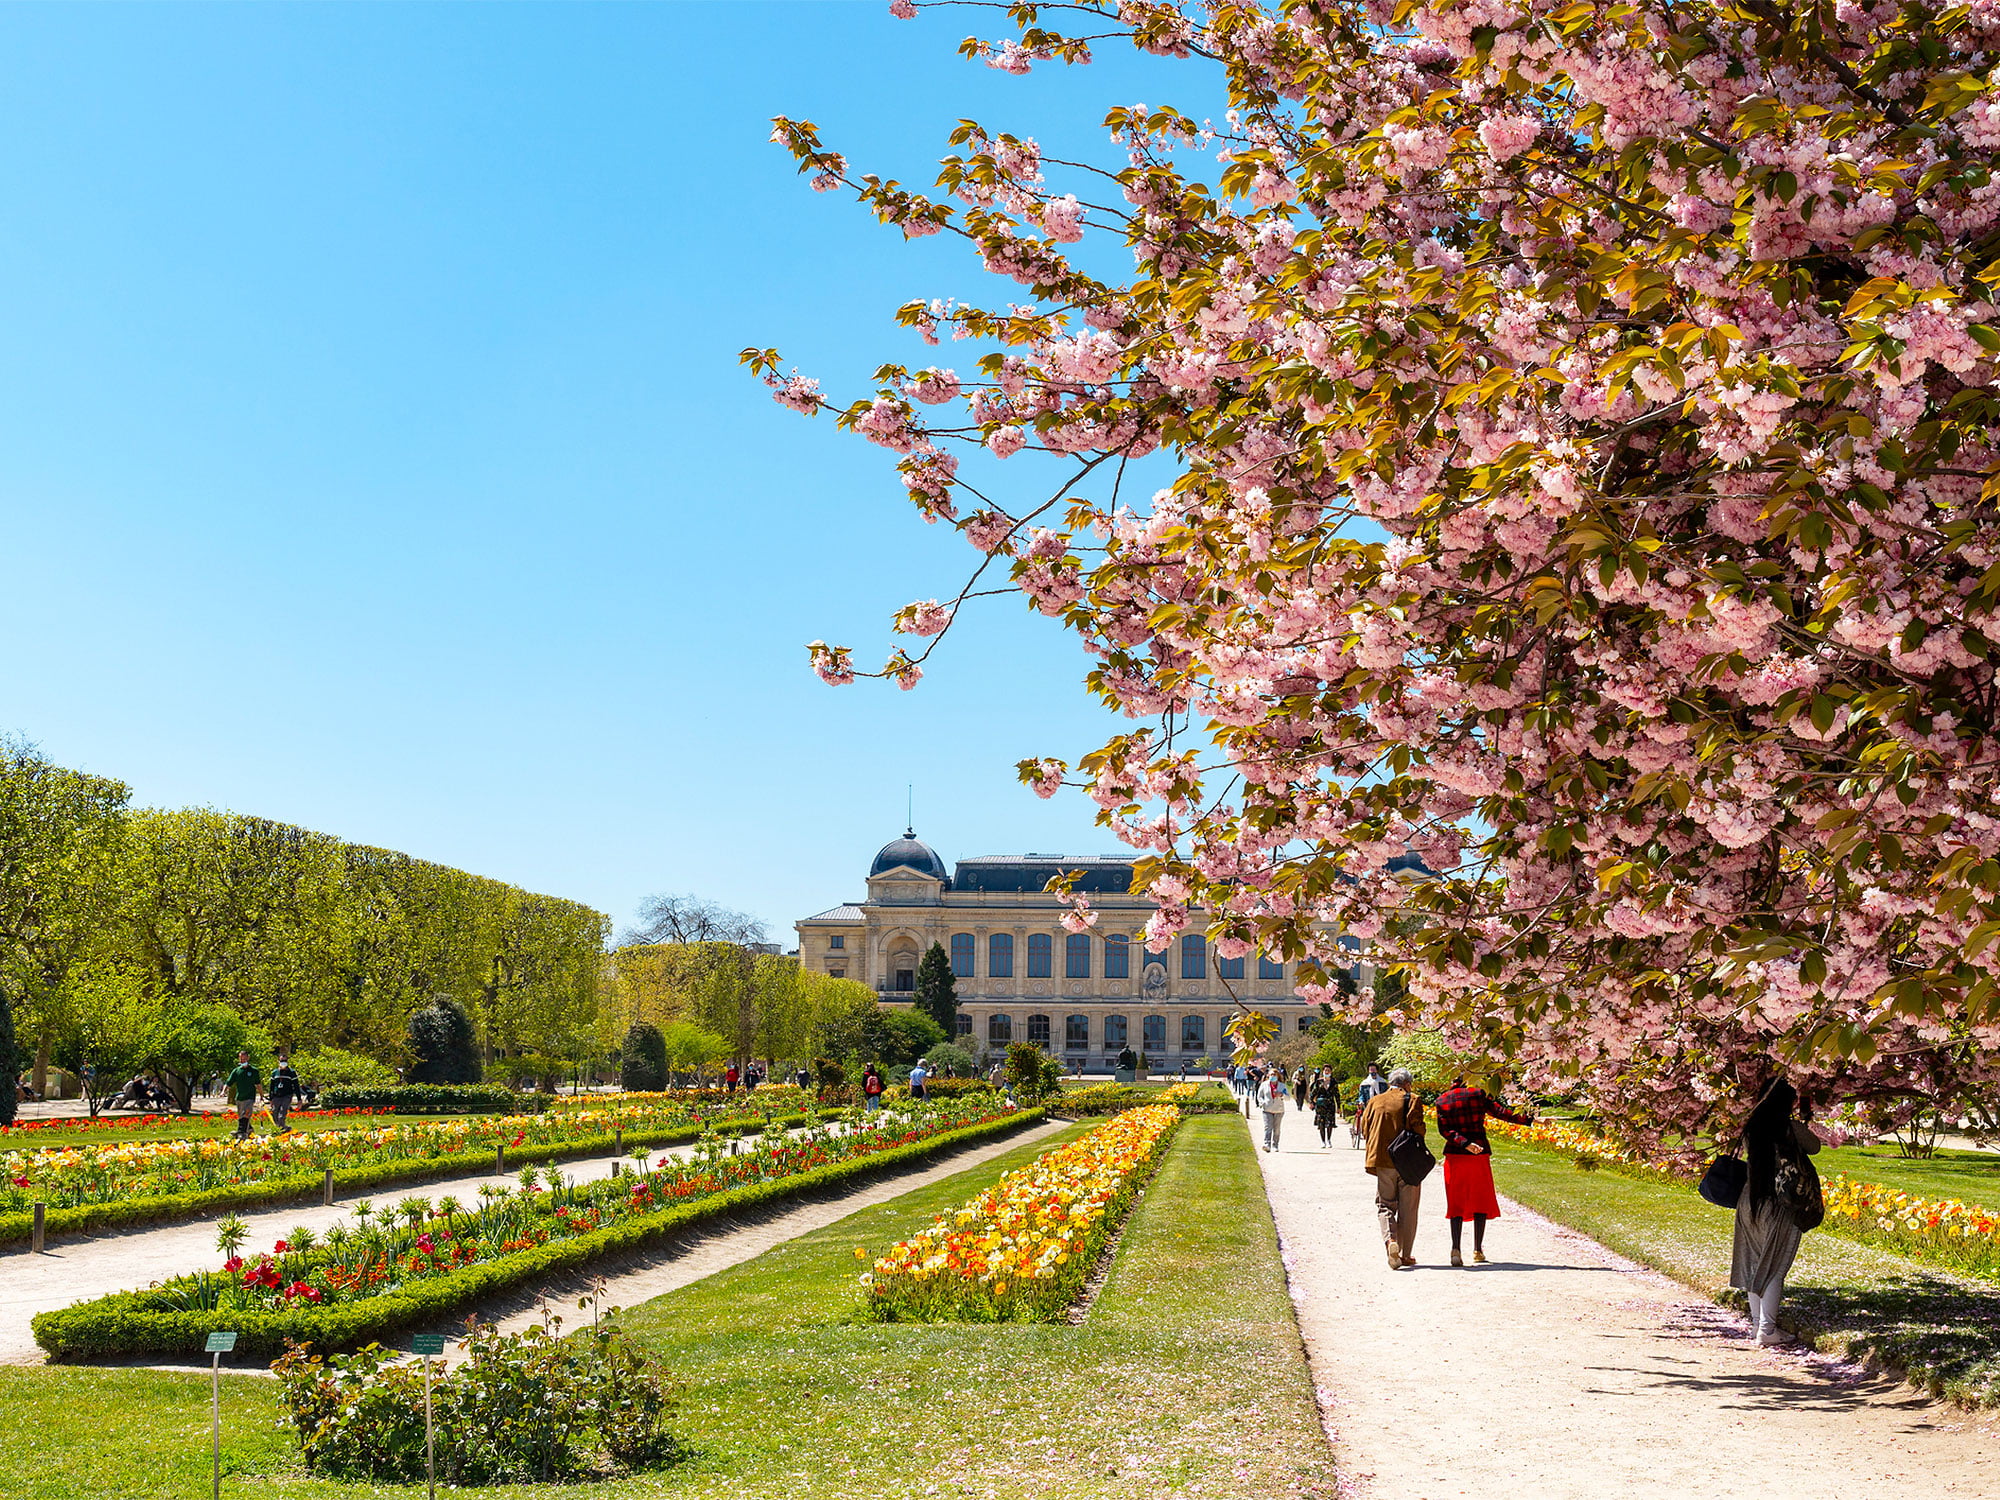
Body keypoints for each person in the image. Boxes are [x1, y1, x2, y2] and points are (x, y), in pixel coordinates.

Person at [1733, 1078, 1822, 1346]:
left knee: (1754, 1263)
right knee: (1774, 1267)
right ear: (1786, 1103)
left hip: (1749, 1201)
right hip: (1779, 1202)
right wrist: (1803, 1121)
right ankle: (1767, 1330)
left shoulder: (1751, 1127)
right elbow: (1815, 1147)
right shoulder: (1788, 1127)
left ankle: (1757, 1326)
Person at [1434, 1074, 1535, 1266]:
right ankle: (1477, 1249)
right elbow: (1502, 1112)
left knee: (1456, 1202)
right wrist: (1529, 1119)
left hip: (1455, 1156)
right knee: (1480, 1200)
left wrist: (1464, 1144)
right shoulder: (1479, 1094)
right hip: (1478, 1155)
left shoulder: (1442, 1100)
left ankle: (1455, 1248)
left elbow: (1445, 1130)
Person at [1357, 1067, 1424, 1269]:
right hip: (1408, 1163)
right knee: (1408, 1209)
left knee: (1385, 1205)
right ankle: (1405, 1255)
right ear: (1407, 1083)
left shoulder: (1375, 1101)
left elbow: (1364, 1129)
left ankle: (1390, 1241)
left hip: (1383, 1160)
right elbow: (1419, 1129)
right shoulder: (1412, 1099)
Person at [225, 1050, 260, 1141]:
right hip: (239, 1097)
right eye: (241, 1059)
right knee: (241, 1116)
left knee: (247, 1114)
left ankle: (241, 1133)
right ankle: (249, 1130)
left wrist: (261, 1095)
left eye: (244, 1058)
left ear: (248, 1058)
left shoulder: (254, 1071)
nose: (243, 1060)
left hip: (250, 1097)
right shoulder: (236, 1071)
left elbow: (258, 1084)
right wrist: (223, 1091)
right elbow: (229, 1082)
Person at [1352, 1064, 1387, 1148]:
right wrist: (1361, 1101)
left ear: (1377, 1070)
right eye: (1371, 1070)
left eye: (1374, 1069)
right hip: (1368, 1105)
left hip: (1380, 1104)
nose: (1372, 1071)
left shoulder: (1382, 1082)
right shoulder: (1364, 1083)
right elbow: (1361, 1095)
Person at [268, 1050, 301, 1133]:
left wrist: (299, 1099)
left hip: (287, 1095)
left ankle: (282, 1127)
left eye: (285, 1061)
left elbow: (296, 1086)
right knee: (275, 1112)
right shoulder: (274, 1073)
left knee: (282, 1112)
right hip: (276, 1096)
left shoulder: (292, 1073)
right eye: (282, 1061)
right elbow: (271, 1086)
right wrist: (270, 1099)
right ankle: (280, 1128)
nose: (283, 1063)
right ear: (278, 1061)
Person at [1257, 1066, 1289, 1151]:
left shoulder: (1282, 1086)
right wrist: (1262, 1103)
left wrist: (1281, 1095)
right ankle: (1267, 1144)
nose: (1273, 1076)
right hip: (1267, 1109)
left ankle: (1275, 1145)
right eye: (1271, 1074)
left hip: (1279, 1110)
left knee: (1277, 1129)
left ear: (1278, 1076)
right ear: (1268, 1075)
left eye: (1274, 1075)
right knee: (1268, 1127)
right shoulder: (1264, 1085)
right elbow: (1259, 1096)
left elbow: (1288, 1098)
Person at [1310, 1068, 1341, 1149]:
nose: (1327, 1072)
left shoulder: (1333, 1082)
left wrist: (1339, 1106)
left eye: (1328, 1071)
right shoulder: (1319, 1081)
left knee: (1330, 1123)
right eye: (1325, 1071)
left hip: (1330, 1104)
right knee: (1321, 1123)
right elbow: (1313, 1092)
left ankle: (1329, 1140)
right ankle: (1323, 1141)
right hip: (1320, 1105)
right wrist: (1311, 1102)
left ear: (1331, 1072)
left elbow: (1337, 1095)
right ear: (1323, 1072)